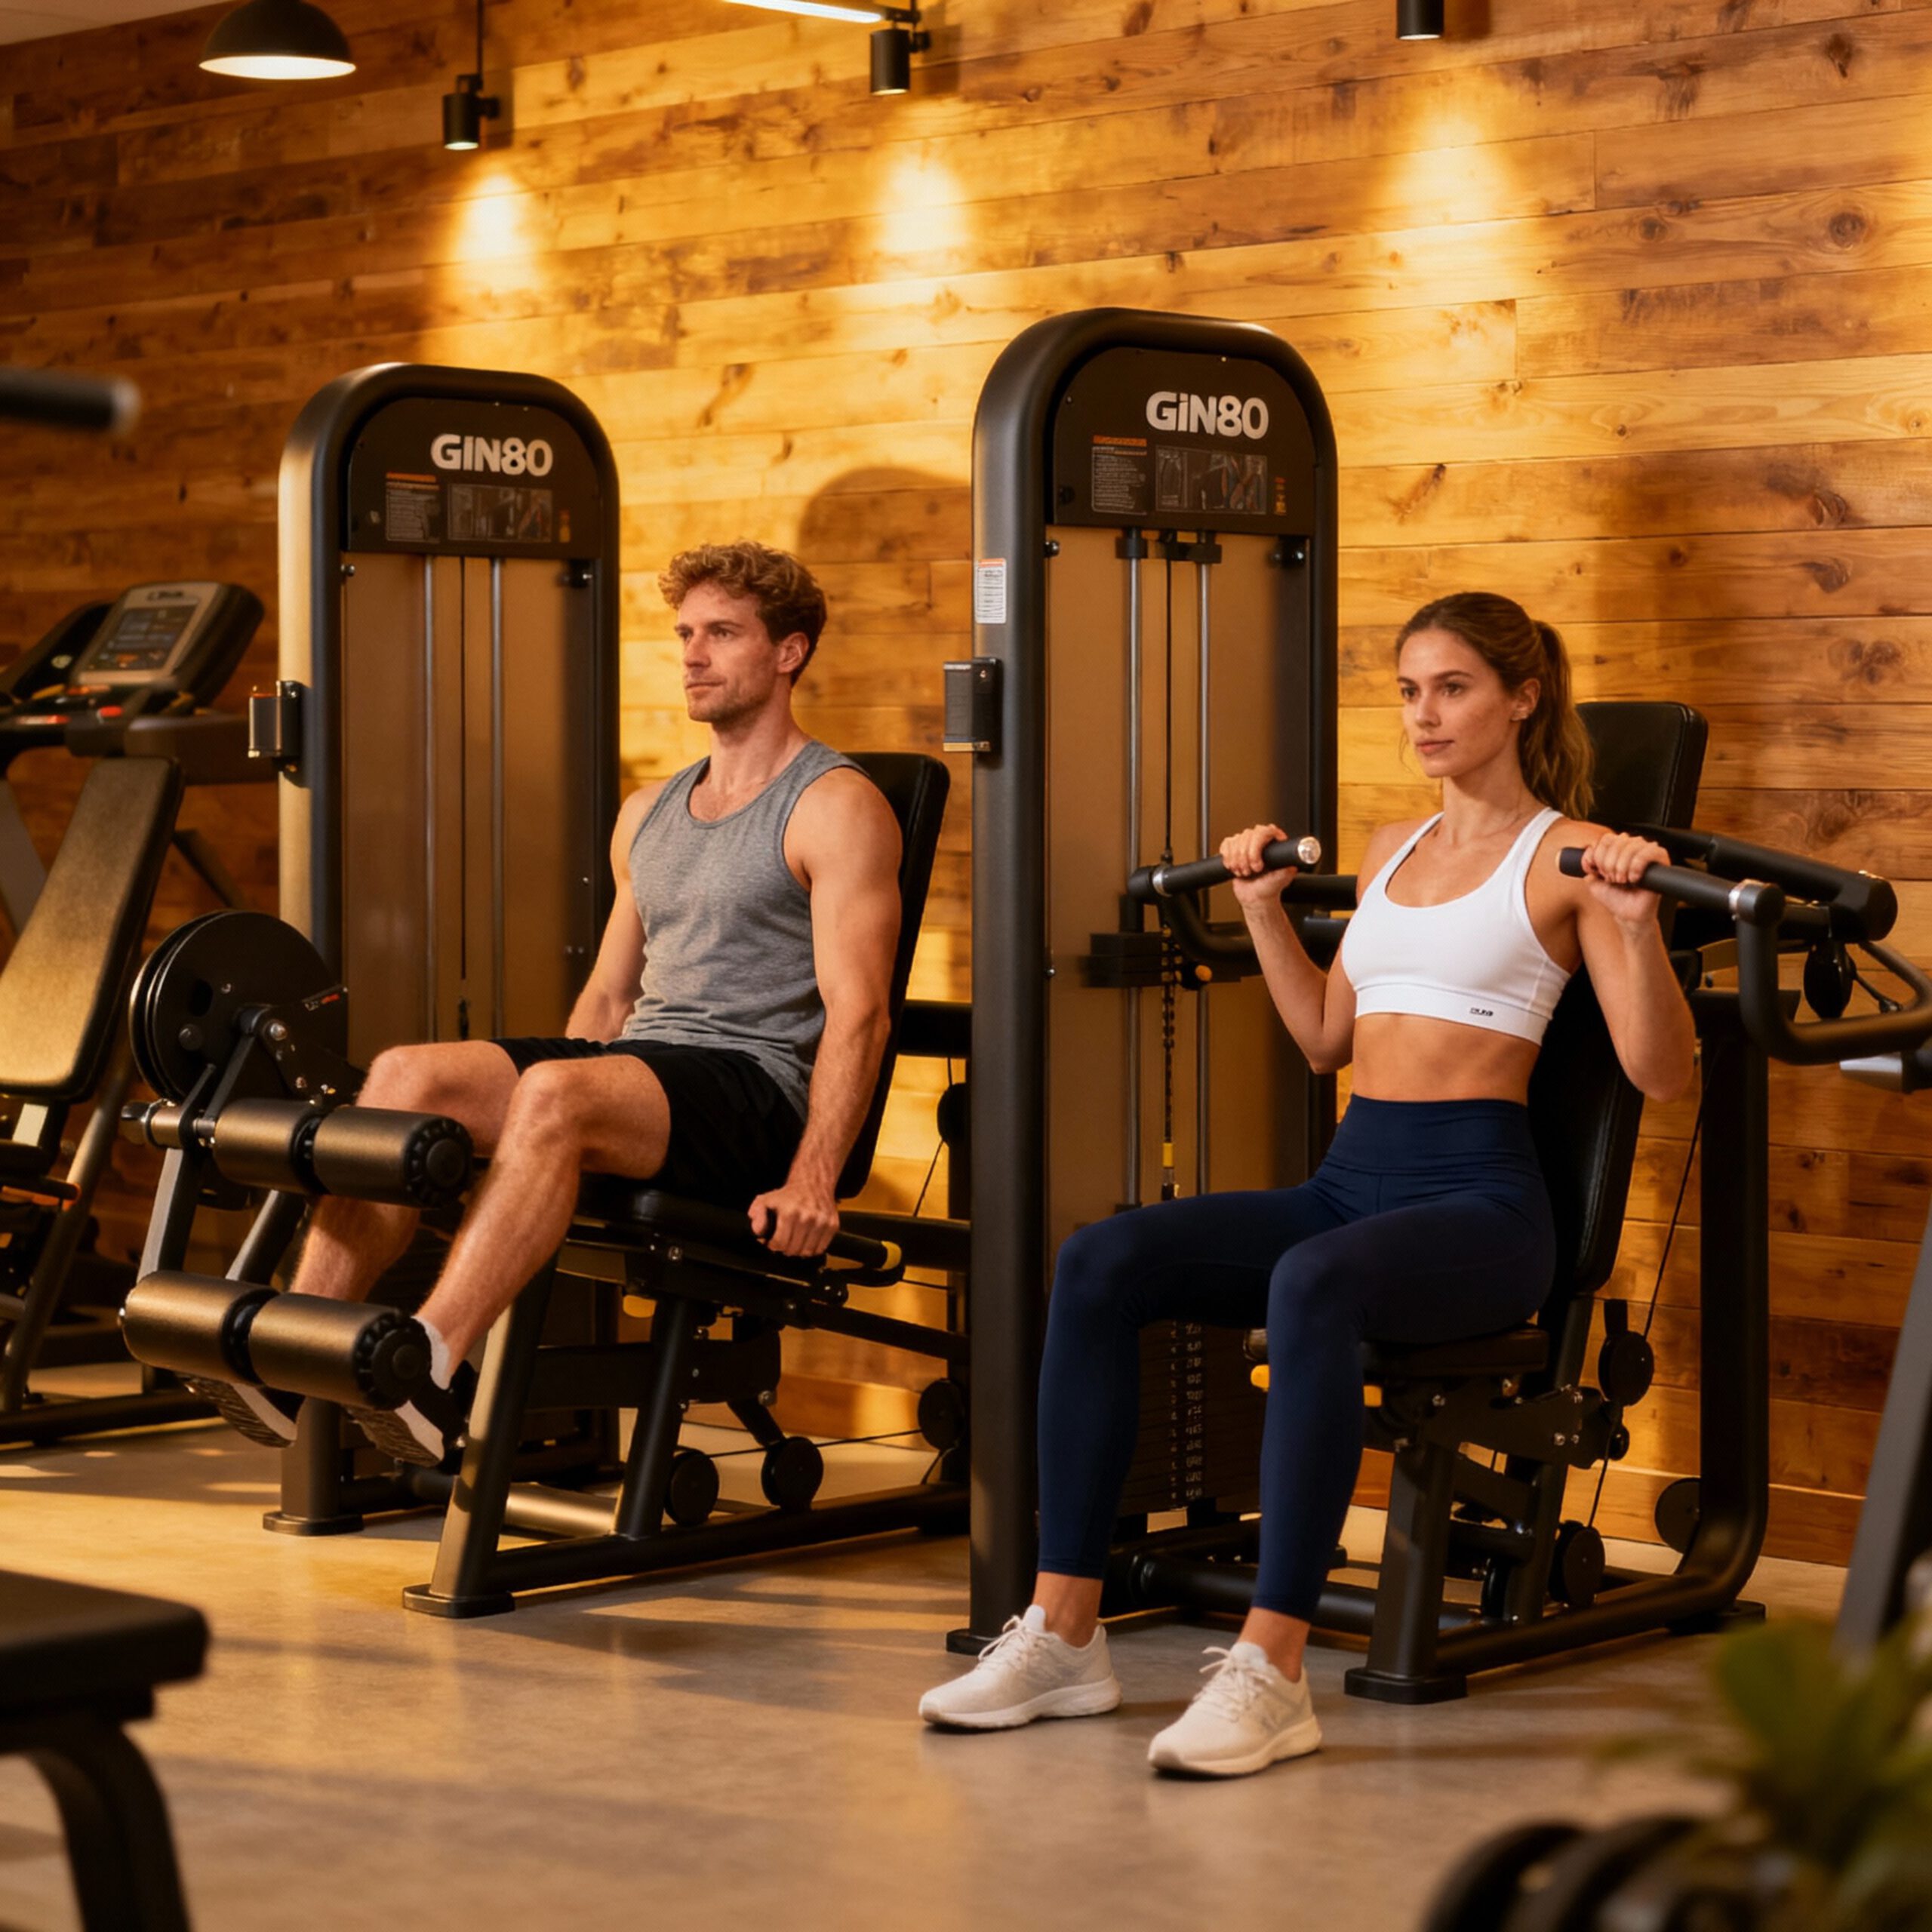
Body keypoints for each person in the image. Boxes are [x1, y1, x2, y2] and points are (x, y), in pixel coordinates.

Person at [918, 590, 1696, 1777]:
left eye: (1453, 689)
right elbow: (1329, 1041)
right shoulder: (1389, 851)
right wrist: (1262, 912)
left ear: (1523, 696)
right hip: (1351, 1178)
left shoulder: (1570, 861)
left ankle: (1271, 1669)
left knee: (1313, 1281)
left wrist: (1636, 923)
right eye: (1409, 690)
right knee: (1102, 1259)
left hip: (1481, 1206)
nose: (1424, 716)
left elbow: (1664, 1073)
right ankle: (1067, 1630)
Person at [191, 541, 903, 1466]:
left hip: (754, 1091)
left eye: (722, 634)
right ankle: (296, 1350)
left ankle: (434, 1365)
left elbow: (861, 1013)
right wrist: (545, 1117)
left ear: (788, 652)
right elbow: (609, 992)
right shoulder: (649, 812)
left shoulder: (835, 804)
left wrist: (812, 1179)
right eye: (685, 633)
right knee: (406, 1074)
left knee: (557, 1097)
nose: (691, 654)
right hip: (649, 1073)